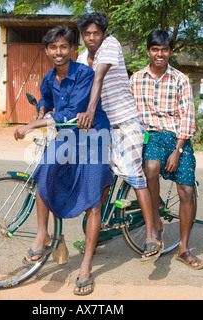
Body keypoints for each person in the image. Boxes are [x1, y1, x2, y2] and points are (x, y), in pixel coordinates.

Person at [14, 25, 113, 295]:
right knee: (43, 174)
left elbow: (72, 110)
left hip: (94, 136)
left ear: (73, 49)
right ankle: (42, 235)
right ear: (47, 51)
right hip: (68, 135)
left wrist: (32, 124)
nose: (58, 52)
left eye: (63, 47)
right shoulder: (48, 76)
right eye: (53, 47)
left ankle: (86, 267)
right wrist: (42, 107)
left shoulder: (84, 74)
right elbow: (45, 97)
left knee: (93, 200)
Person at [76, 12, 163, 261]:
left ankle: (150, 235)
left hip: (126, 123)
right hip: (101, 126)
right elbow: (80, 88)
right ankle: (97, 232)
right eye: (87, 34)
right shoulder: (82, 57)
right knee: (100, 180)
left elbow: (99, 77)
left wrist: (90, 111)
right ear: (82, 36)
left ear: (103, 34)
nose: (92, 38)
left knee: (135, 176)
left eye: (96, 33)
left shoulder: (110, 45)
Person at [130, 29, 203, 269]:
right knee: (150, 167)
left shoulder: (180, 79)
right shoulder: (136, 79)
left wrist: (178, 150)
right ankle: (156, 224)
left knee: (186, 190)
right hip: (151, 137)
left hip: (178, 139)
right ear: (149, 51)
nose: (159, 54)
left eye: (164, 50)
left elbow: (187, 117)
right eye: (155, 49)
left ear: (170, 51)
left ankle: (183, 248)